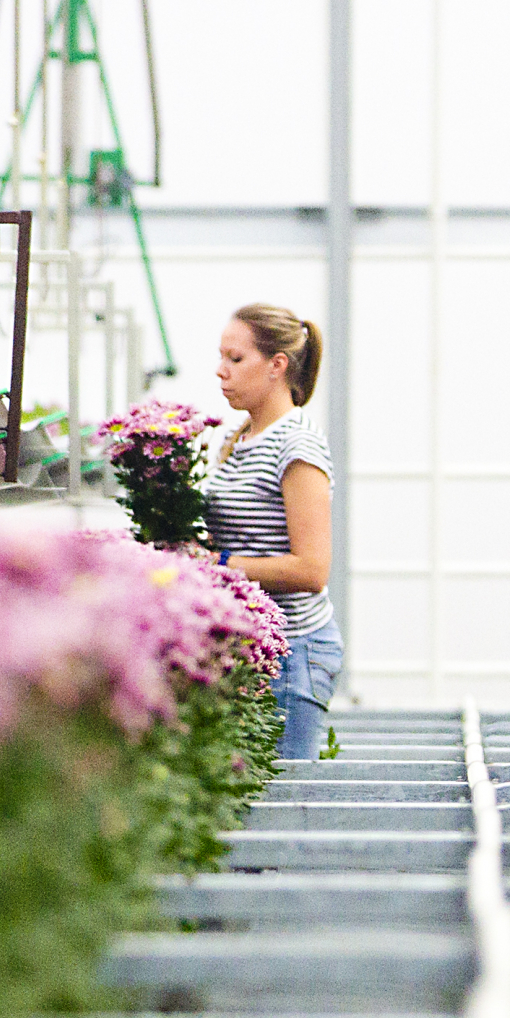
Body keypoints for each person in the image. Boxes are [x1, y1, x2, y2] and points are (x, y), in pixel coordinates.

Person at [203, 303, 342, 759]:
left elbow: (311, 569)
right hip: (252, 648)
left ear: (277, 366)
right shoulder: (242, 435)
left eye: (235, 359)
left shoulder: (296, 445)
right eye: (221, 357)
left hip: (293, 652)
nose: (221, 371)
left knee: (282, 804)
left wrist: (217, 566)